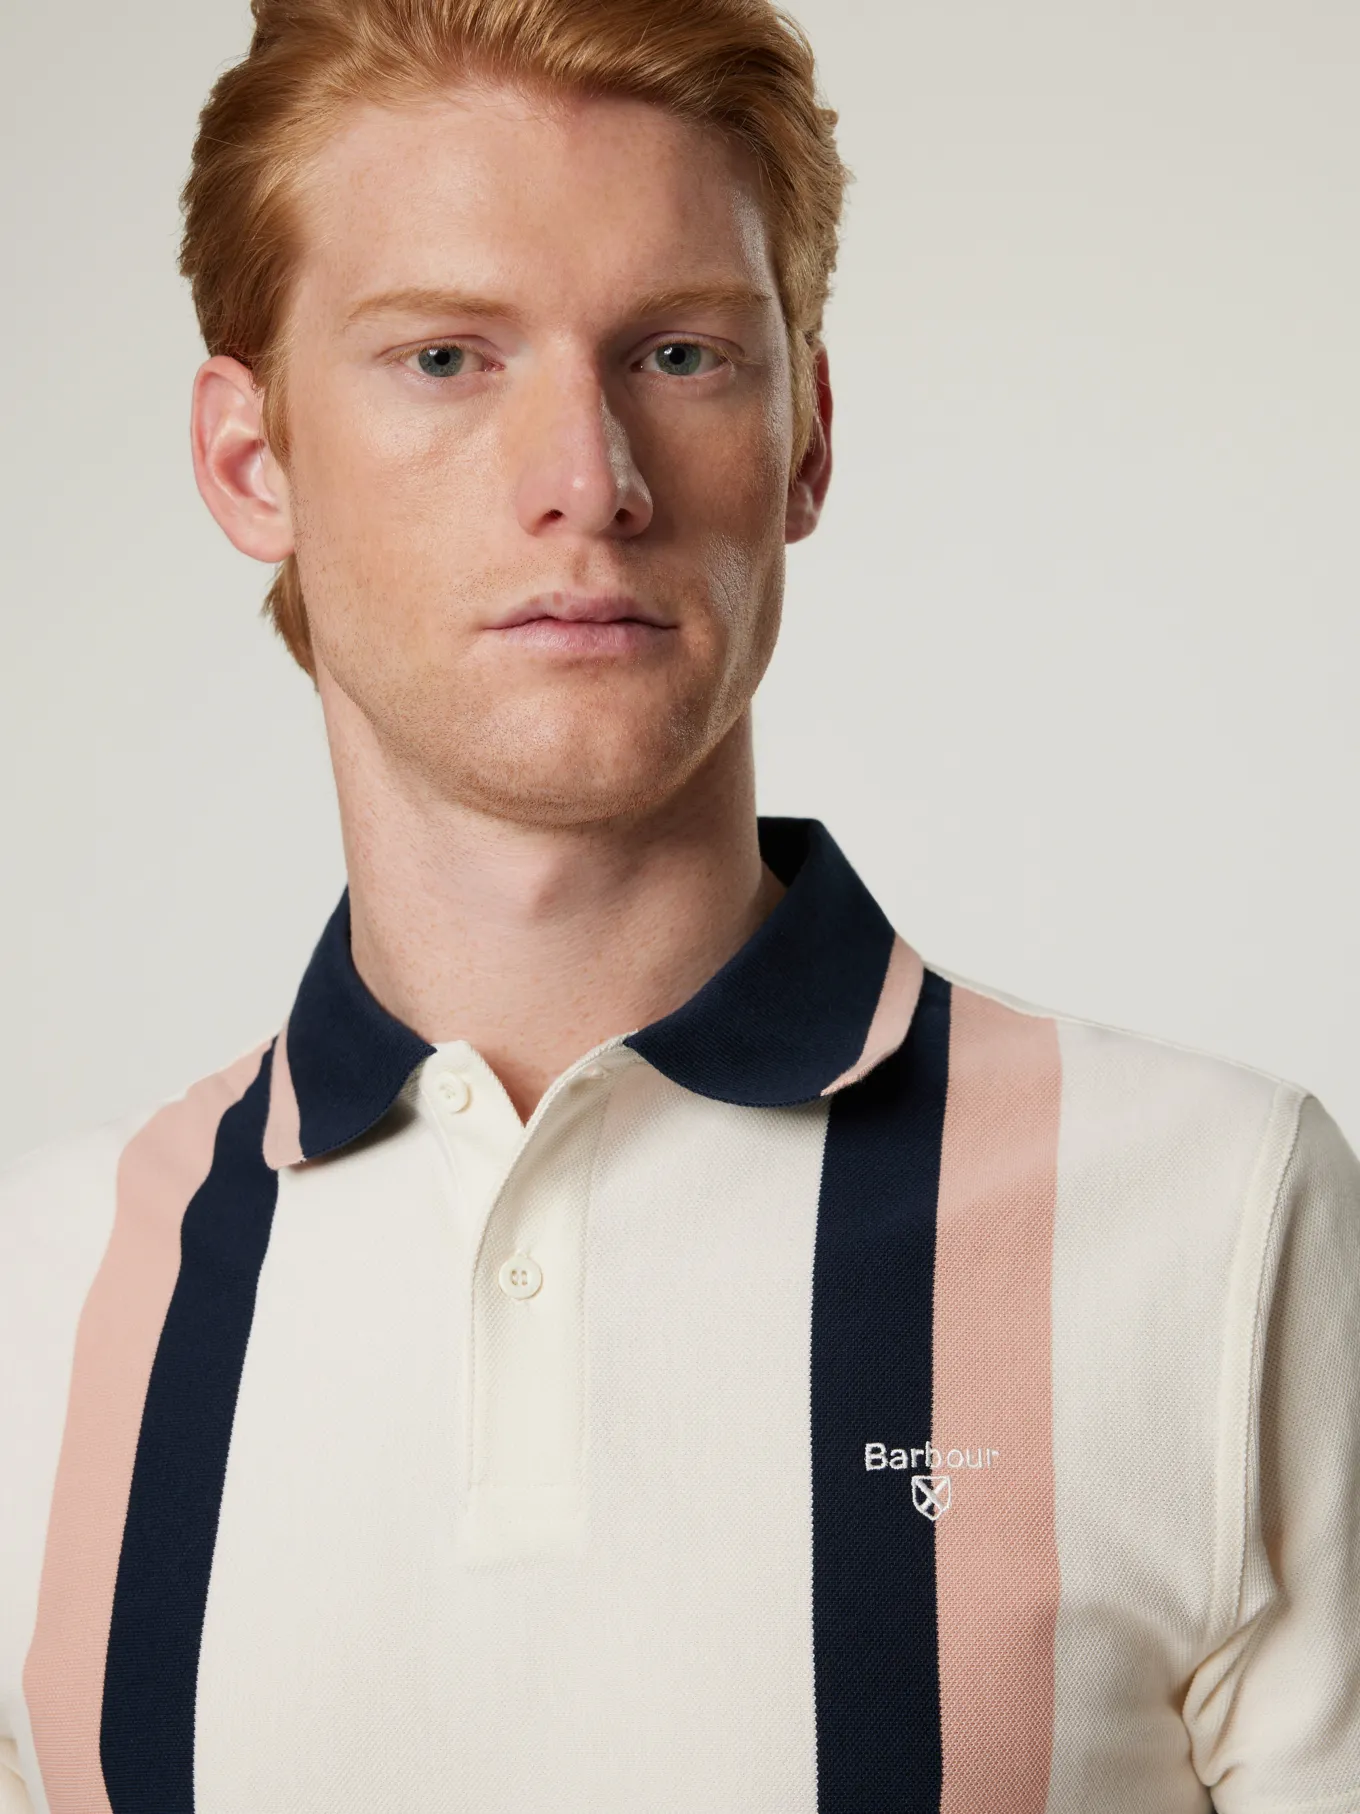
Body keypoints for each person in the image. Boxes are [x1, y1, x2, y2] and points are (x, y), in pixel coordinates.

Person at [2, 0, 1357, 1807]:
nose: (591, 478)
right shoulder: (37, 1301)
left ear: (806, 437)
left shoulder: (1218, 1216)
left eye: (682, 354)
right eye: (444, 356)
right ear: (255, 462)